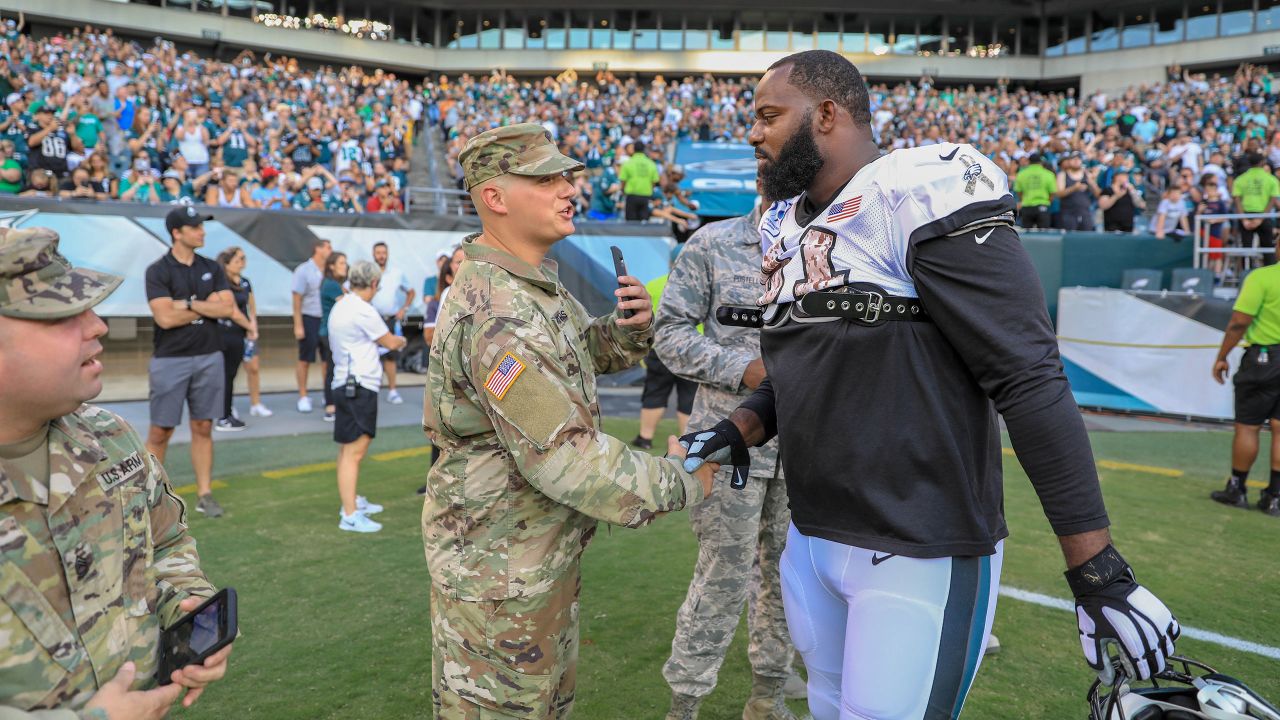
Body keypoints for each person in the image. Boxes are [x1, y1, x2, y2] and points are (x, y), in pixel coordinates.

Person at [679, 50, 1179, 720]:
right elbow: (805, 371)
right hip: (813, 534)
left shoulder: (917, 187)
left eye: (769, 115)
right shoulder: (782, 224)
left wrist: (1096, 567)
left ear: (827, 114)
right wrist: (741, 425)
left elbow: (1026, 374)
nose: (753, 133)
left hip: (919, 540)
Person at [422, 124, 716, 718]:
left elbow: (578, 356)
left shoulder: (530, 286)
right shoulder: (497, 312)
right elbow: (564, 456)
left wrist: (627, 330)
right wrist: (680, 477)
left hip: (527, 562)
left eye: (567, 175)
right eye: (546, 178)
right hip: (500, 578)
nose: (568, 188)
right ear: (495, 198)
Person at [0, 225, 234, 717]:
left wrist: (186, 605)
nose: (97, 326)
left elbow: (165, 544)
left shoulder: (109, 437)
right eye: (62, 314)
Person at [655, 197, 800, 720]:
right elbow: (668, 333)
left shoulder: (825, 245)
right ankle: (685, 705)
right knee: (723, 576)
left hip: (805, 451)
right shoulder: (713, 244)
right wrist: (744, 368)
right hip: (730, 444)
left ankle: (769, 695)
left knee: (788, 580)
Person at [145, 206, 235, 519]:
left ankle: (205, 494)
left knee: (203, 426)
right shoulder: (158, 271)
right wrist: (206, 306)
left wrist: (187, 304)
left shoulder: (212, 266)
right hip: (170, 359)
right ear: (177, 233)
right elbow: (165, 318)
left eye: (201, 226)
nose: (202, 231)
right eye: (195, 227)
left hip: (210, 357)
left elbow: (227, 309)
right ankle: (150, 496)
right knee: (160, 431)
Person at [328, 260, 405, 533]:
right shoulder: (362, 309)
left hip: (348, 382)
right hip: (357, 385)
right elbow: (390, 341)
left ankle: (350, 503)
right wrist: (402, 339)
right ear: (373, 284)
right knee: (355, 450)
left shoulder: (343, 304)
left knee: (348, 448)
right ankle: (349, 514)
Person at [1210, 263, 1280, 517]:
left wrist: (1222, 356)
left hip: (1264, 358)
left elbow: (1239, 322)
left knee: (1248, 426)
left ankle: (1237, 489)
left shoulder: (1263, 277)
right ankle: (1275, 496)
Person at [213, 246, 258, 431]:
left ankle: (227, 413)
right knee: (224, 376)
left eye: (244, 259)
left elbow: (250, 306)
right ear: (227, 262)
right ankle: (223, 416)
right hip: (225, 333)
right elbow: (230, 310)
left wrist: (252, 326)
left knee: (231, 375)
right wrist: (248, 325)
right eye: (238, 259)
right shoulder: (222, 282)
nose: (242, 263)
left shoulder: (244, 282)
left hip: (239, 334)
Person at [370, 241, 415, 404]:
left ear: (387, 254)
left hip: (389, 320)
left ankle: (392, 391)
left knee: (390, 357)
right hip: (371, 319)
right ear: (373, 254)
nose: (381, 256)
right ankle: (371, 390)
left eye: (383, 252)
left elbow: (411, 292)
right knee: (370, 355)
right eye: (378, 253)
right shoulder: (368, 272)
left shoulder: (397, 273)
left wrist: (404, 309)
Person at [292, 239, 332, 414]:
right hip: (309, 318)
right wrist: (298, 324)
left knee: (327, 360)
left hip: (327, 320)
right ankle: (303, 396)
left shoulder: (330, 271)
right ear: (318, 248)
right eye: (328, 247)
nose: (330, 250)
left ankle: (327, 394)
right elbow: (296, 299)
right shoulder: (303, 270)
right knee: (305, 359)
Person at [1232, 152, 1280, 266]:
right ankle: (1270, 275)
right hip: (1263, 216)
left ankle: (1245, 275)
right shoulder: (1271, 179)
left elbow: (1237, 200)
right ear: (1262, 163)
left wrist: (1244, 219)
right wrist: (1261, 218)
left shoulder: (1240, 179)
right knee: (1268, 248)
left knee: (1246, 248)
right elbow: (1272, 200)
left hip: (1246, 216)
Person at [319, 251, 349, 422]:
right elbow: (347, 305)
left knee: (335, 368)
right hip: (330, 334)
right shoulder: (331, 285)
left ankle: (333, 402)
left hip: (333, 333)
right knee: (332, 369)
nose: (345, 266)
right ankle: (330, 406)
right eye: (341, 263)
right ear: (332, 266)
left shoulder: (336, 284)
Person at [1055, 152, 1099, 231]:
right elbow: (1059, 194)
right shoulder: (1062, 175)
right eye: (1073, 159)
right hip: (1068, 212)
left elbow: (1098, 194)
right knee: (1070, 238)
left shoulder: (1087, 175)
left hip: (1085, 212)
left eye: (1078, 159)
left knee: (1087, 237)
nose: (1076, 161)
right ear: (1068, 161)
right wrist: (1074, 188)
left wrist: (1091, 182)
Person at [1013, 153, 1057, 229]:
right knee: (1043, 233)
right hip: (1043, 205)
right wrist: (1048, 201)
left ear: (1029, 162)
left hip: (1027, 206)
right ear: (1041, 162)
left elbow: (1018, 191)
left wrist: (1024, 199)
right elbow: (1053, 192)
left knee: (1027, 233)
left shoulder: (1021, 174)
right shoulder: (1049, 174)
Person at [620, 140, 660, 221]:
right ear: (644, 150)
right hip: (645, 196)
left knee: (631, 223)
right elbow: (654, 181)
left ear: (634, 149)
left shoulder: (628, 163)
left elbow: (623, 181)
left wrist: (623, 191)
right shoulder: (651, 164)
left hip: (631, 196)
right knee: (643, 223)